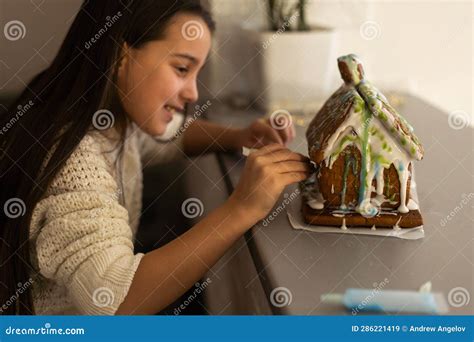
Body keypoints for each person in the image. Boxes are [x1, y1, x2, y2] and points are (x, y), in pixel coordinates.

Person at [0, 0, 311, 315]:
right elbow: (114, 302)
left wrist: (236, 136)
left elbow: (168, 136)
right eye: (181, 68)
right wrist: (243, 208)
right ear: (121, 55)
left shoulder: (107, 119)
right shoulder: (75, 162)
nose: (192, 93)